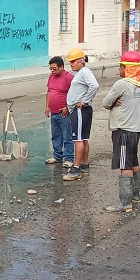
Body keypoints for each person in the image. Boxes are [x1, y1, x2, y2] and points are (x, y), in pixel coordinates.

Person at [102, 50, 140, 213]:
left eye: (121, 66)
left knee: (124, 165)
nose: (119, 70)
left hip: (123, 130)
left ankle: (125, 202)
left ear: (126, 68)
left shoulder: (121, 84)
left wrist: (113, 104)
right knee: (134, 162)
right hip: (135, 129)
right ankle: (135, 195)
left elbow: (106, 103)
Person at [62, 47, 98, 181]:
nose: (71, 64)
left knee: (78, 140)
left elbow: (94, 86)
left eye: (73, 61)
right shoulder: (81, 73)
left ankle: (76, 168)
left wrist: (85, 101)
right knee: (83, 138)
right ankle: (84, 164)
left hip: (80, 111)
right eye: (70, 62)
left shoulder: (84, 72)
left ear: (82, 60)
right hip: (79, 110)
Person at [44, 56, 74, 169]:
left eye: (55, 68)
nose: (52, 71)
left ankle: (69, 158)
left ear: (62, 67)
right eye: (51, 68)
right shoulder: (51, 76)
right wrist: (47, 107)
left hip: (64, 113)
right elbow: (49, 92)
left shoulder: (68, 78)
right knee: (55, 136)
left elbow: (75, 94)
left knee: (67, 137)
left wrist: (68, 107)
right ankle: (57, 156)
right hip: (54, 113)